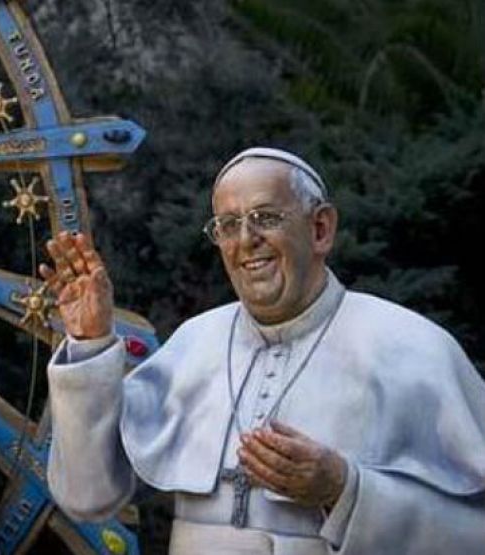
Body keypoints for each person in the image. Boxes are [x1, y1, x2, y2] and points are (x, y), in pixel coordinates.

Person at [41, 147, 485, 554]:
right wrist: (90, 344)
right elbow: (88, 497)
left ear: (320, 229)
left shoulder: (410, 348)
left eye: (266, 217)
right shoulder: (195, 343)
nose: (246, 239)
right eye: (228, 225)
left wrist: (345, 491)